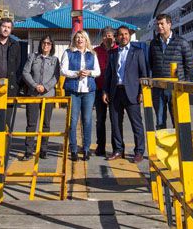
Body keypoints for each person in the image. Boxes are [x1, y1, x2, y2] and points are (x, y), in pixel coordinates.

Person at [104, 26, 148, 163]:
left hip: (132, 92)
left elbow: (144, 74)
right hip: (115, 91)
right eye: (121, 35)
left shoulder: (138, 52)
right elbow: (108, 74)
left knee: (137, 124)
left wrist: (142, 92)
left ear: (129, 35)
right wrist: (105, 91)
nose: (124, 37)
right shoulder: (112, 53)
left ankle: (139, 152)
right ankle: (118, 150)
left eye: (126, 34)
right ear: (117, 37)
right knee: (115, 123)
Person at [148, 14, 193, 129]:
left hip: (176, 88)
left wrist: (185, 85)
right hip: (158, 88)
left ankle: (179, 146)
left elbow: (189, 65)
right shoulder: (153, 44)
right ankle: (162, 147)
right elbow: (151, 64)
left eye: (162, 24)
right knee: (159, 121)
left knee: (178, 120)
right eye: (157, 24)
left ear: (169, 24)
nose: (159, 26)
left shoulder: (181, 42)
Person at [61, 30, 100, 161]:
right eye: (77, 37)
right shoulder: (68, 53)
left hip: (88, 91)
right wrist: (76, 73)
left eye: (82, 37)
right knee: (72, 120)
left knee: (87, 120)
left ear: (86, 40)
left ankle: (86, 148)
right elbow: (63, 70)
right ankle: (73, 149)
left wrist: (89, 72)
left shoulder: (92, 54)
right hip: (73, 90)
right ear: (74, 40)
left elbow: (98, 71)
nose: (79, 40)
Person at [20, 35, 60, 160]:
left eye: (49, 43)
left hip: (48, 95)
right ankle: (28, 150)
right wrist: (34, 85)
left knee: (46, 124)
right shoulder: (32, 56)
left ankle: (44, 149)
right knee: (31, 123)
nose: (46, 45)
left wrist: (46, 87)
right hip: (33, 94)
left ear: (52, 46)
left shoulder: (55, 60)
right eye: (44, 43)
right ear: (40, 44)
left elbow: (56, 76)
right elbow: (25, 72)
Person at [92, 27, 117, 156]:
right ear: (102, 37)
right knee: (100, 119)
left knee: (115, 119)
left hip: (115, 90)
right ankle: (100, 146)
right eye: (105, 35)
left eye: (110, 35)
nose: (108, 38)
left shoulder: (118, 50)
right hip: (99, 88)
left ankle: (116, 148)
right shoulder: (95, 51)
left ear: (114, 37)